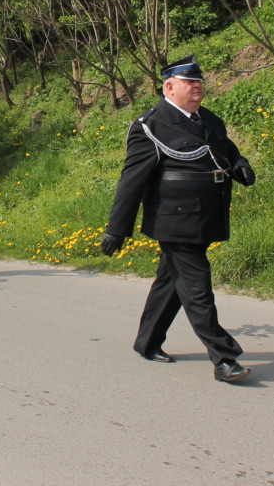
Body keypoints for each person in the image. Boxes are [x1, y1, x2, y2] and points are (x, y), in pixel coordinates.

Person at [101, 55, 257, 384]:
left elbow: (225, 148)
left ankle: (147, 342)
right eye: (190, 82)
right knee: (197, 288)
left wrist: (239, 163)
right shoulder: (150, 126)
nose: (197, 86)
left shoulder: (209, 119)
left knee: (171, 282)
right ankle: (224, 358)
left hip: (207, 215)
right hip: (174, 220)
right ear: (169, 87)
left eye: (199, 81)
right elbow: (132, 182)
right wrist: (117, 229)